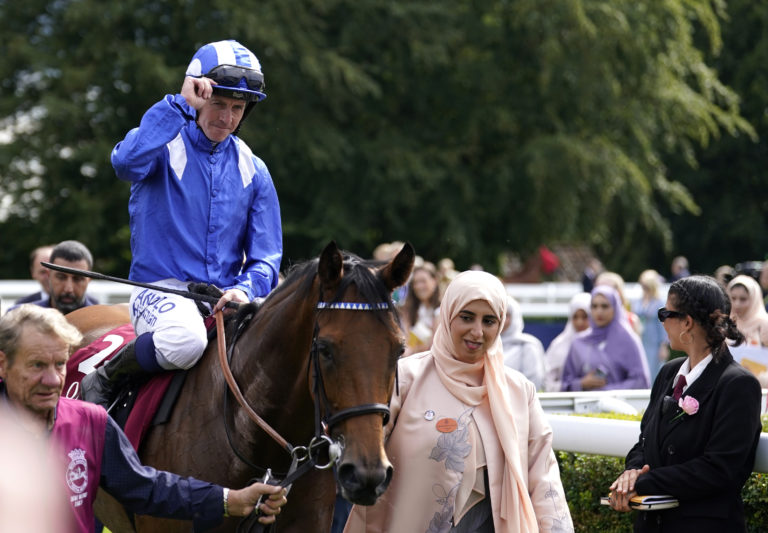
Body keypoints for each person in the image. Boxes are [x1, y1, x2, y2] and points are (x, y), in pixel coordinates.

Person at [81, 40, 282, 408]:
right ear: (198, 95)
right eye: (218, 104)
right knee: (187, 341)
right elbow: (124, 163)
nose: (227, 118)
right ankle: (107, 375)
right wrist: (179, 104)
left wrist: (244, 289)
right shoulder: (163, 145)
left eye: (237, 108)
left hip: (226, 299)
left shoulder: (255, 170)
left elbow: (267, 256)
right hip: (160, 291)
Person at [0, 305, 286, 533]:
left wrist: (230, 500)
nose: (52, 380)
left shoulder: (89, 421)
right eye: (37, 365)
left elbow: (145, 488)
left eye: (60, 364)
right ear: (3, 364)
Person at [344, 271, 573, 532]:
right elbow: (363, 446)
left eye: (489, 321)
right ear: (448, 315)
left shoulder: (518, 391)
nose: (477, 331)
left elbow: (543, 475)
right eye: (466, 317)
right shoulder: (405, 378)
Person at [608, 275, 761, 532]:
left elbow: (719, 469)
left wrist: (643, 482)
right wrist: (631, 472)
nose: (662, 321)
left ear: (687, 322)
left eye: (665, 313)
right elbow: (644, 441)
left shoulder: (738, 384)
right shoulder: (668, 372)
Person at [560, 285, 649, 391]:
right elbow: (565, 383)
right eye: (594, 306)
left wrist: (606, 391)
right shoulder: (579, 342)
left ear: (615, 308)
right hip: (584, 401)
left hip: (619, 401)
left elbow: (641, 381)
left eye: (605, 306)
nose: (599, 311)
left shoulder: (628, 340)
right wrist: (581, 383)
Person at [9, 240, 100, 315]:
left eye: (78, 279)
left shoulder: (104, 322)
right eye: (61, 277)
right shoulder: (19, 318)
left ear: (89, 280)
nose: (68, 288)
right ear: (49, 275)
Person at [543, 292, 591, 392]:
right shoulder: (559, 345)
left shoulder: (602, 344)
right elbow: (547, 383)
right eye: (575, 317)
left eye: (585, 317)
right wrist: (578, 385)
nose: (579, 322)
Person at [500, 295, 545, 390]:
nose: (501, 320)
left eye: (506, 315)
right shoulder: (486, 344)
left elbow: (534, 382)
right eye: (498, 315)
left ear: (515, 317)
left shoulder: (527, 345)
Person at [631, 270, 669, 380]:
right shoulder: (638, 301)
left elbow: (663, 325)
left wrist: (663, 346)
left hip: (654, 343)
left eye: (647, 286)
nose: (644, 288)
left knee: (653, 371)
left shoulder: (659, 303)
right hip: (640, 339)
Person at [402, 262, 441, 356]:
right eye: (416, 282)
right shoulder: (409, 309)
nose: (419, 286)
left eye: (423, 281)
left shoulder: (442, 310)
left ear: (434, 281)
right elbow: (404, 340)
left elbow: (434, 345)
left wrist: (413, 350)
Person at [727, 274, 768, 347]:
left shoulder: (764, 325)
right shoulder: (725, 324)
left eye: (743, 299)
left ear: (754, 300)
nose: (737, 304)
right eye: (733, 298)